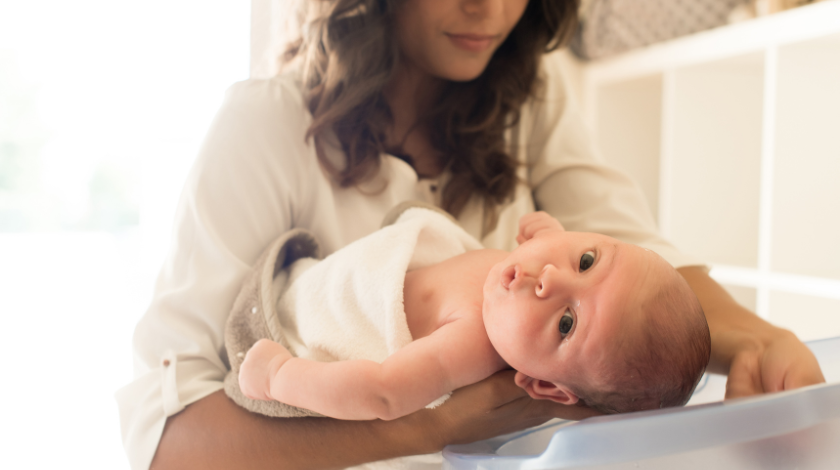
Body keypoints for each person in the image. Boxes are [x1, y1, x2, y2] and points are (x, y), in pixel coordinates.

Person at [116, 1, 826, 469]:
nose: (488, 7)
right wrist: (434, 426)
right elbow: (169, 444)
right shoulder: (266, 128)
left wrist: (762, 341)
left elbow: (638, 262)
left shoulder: (530, 101)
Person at [239, 210, 710, 419]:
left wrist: (279, 376)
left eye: (567, 322)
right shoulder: (525, 282)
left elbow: (381, 395)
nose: (550, 277)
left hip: (293, 322)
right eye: (586, 260)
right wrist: (551, 234)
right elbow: (557, 264)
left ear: (543, 385)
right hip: (319, 269)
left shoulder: (470, 344)